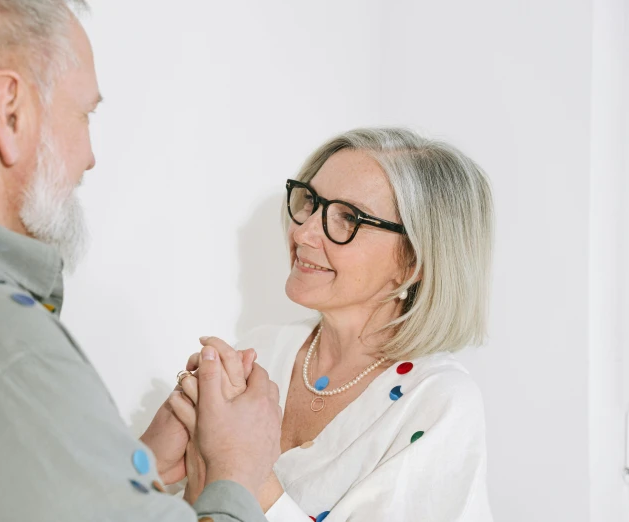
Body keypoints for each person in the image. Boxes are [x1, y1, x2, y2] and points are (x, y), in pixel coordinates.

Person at [0, 1, 281, 521]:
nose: (90, 155)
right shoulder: (10, 355)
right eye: (84, 113)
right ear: (10, 111)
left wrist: (124, 468)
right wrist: (237, 471)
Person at [171, 128, 495, 521]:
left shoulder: (438, 402)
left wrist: (243, 470)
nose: (303, 231)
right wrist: (164, 458)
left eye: (348, 217)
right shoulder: (261, 352)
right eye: (311, 201)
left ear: (415, 261)